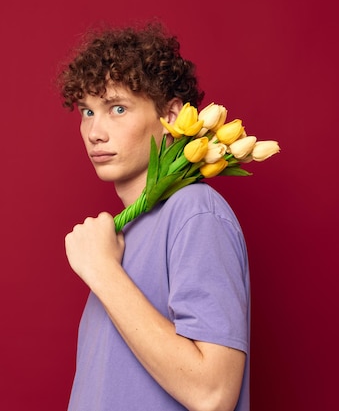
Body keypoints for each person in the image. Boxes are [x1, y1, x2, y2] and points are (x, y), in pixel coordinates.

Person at [58, 21, 251, 411]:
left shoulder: (195, 212)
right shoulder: (128, 228)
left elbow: (213, 394)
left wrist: (102, 271)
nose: (95, 131)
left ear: (172, 115)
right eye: (87, 111)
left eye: (117, 108)